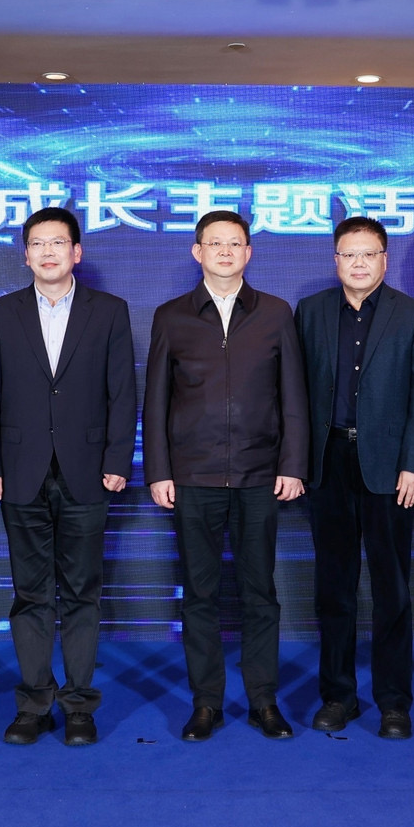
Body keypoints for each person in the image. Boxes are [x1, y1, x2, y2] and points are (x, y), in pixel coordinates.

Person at [0, 207, 137, 747]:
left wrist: (117, 460)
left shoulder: (109, 311)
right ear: (25, 255)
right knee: (30, 594)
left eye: (58, 243)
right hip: (19, 471)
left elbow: (122, 393)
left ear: (77, 252)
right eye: (38, 244)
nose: (48, 252)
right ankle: (34, 704)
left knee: (83, 593)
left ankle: (80, 705)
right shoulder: (0, 313)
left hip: (87, 472)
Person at [144, 209, 310, 741]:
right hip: (193, 477)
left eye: (234, 243)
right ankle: (206, 703)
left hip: (260, 475)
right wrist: (159, 470)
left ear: (248, 252)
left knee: (261, 593)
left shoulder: (275, 313)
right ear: (197, 252)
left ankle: (264, 700)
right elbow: (155, 400)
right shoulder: (172, 316)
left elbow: (294, 396)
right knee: (200, 595)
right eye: (214, 243)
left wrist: (293, 465)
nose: (224, 252)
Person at [295, 216, 414, 739]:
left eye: (368, 254)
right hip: (328, 462)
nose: (359, 263)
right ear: (336, 260)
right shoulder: (310, 312)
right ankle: (338, 696)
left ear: (384, 259)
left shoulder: (412, 313)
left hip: (391, 467)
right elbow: (295, 393)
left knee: (391, 588)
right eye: (349, 254)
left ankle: (393, 701)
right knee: (334, 587)